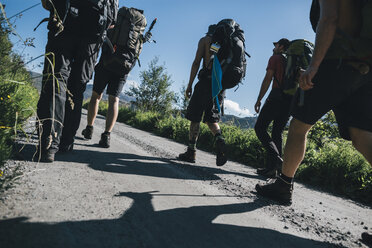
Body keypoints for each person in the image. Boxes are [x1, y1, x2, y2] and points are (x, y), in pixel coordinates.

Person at [255, 0, 372, 243]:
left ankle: (283, 185)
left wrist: (314, 66)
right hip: (365, 69)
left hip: (335, 61)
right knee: (362, 138)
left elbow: (329, 19)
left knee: (299, 125)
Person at [37, 0, 118, 162]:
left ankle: (49, 142)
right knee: (77, 87)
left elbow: (47, 3)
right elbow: (112, 22)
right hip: (93, 34)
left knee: (55, 79)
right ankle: (66, 142)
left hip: (64, 22)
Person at [81, 7, 150, 148]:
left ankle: (89, 129)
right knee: (114, 100)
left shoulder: (119, 17)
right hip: (124, 66)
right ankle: (106, 135)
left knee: (96, 96)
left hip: (107, 60)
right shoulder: (139, 28)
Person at [177, 24, 227, 166]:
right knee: (211, 119)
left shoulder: (205, 40)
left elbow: (196, 63)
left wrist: (189, 84)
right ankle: (219, 139)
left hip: (205, 83)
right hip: (219, 86)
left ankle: (191, 152)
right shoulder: (226, 44)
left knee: (195, 117)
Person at [254, 38, 291, 178]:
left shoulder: (275, 58)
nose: (274, 47)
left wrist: (259, 99)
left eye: (276, 45)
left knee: (260, 128)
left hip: (276, 97)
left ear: (281, 47)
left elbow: (268, 78)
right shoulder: (291, 62)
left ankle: (276, 160)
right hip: (290, 101)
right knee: (277, 132)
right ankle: (272, 170)